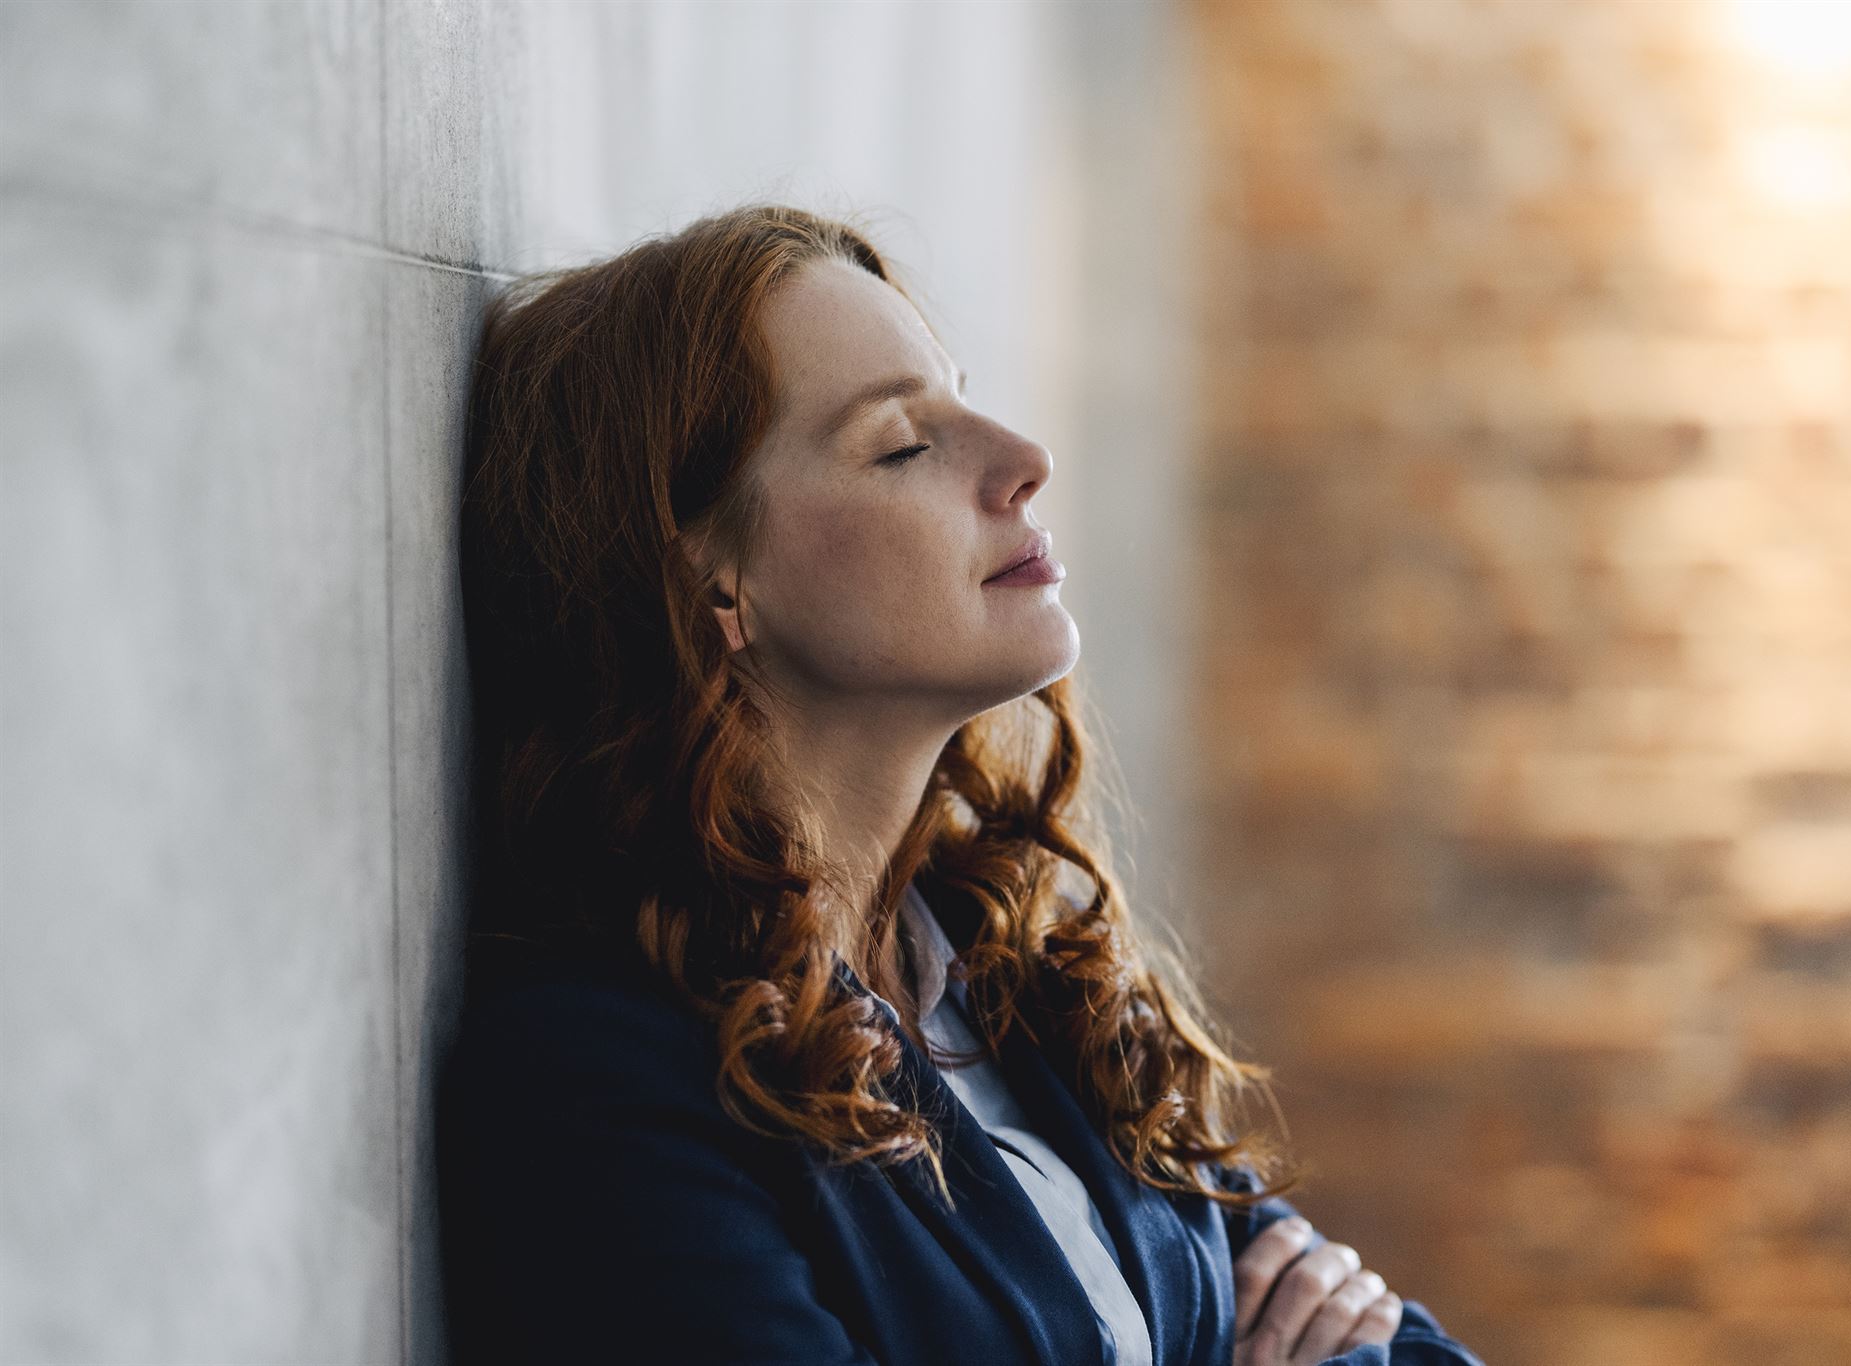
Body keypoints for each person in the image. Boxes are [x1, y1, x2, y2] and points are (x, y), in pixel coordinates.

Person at [435, 202, 1486, 1366]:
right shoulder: (603, 1075)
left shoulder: (1015, 978)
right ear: (710, 584)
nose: (1025, 460)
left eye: (964, 398)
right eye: (901, 445)